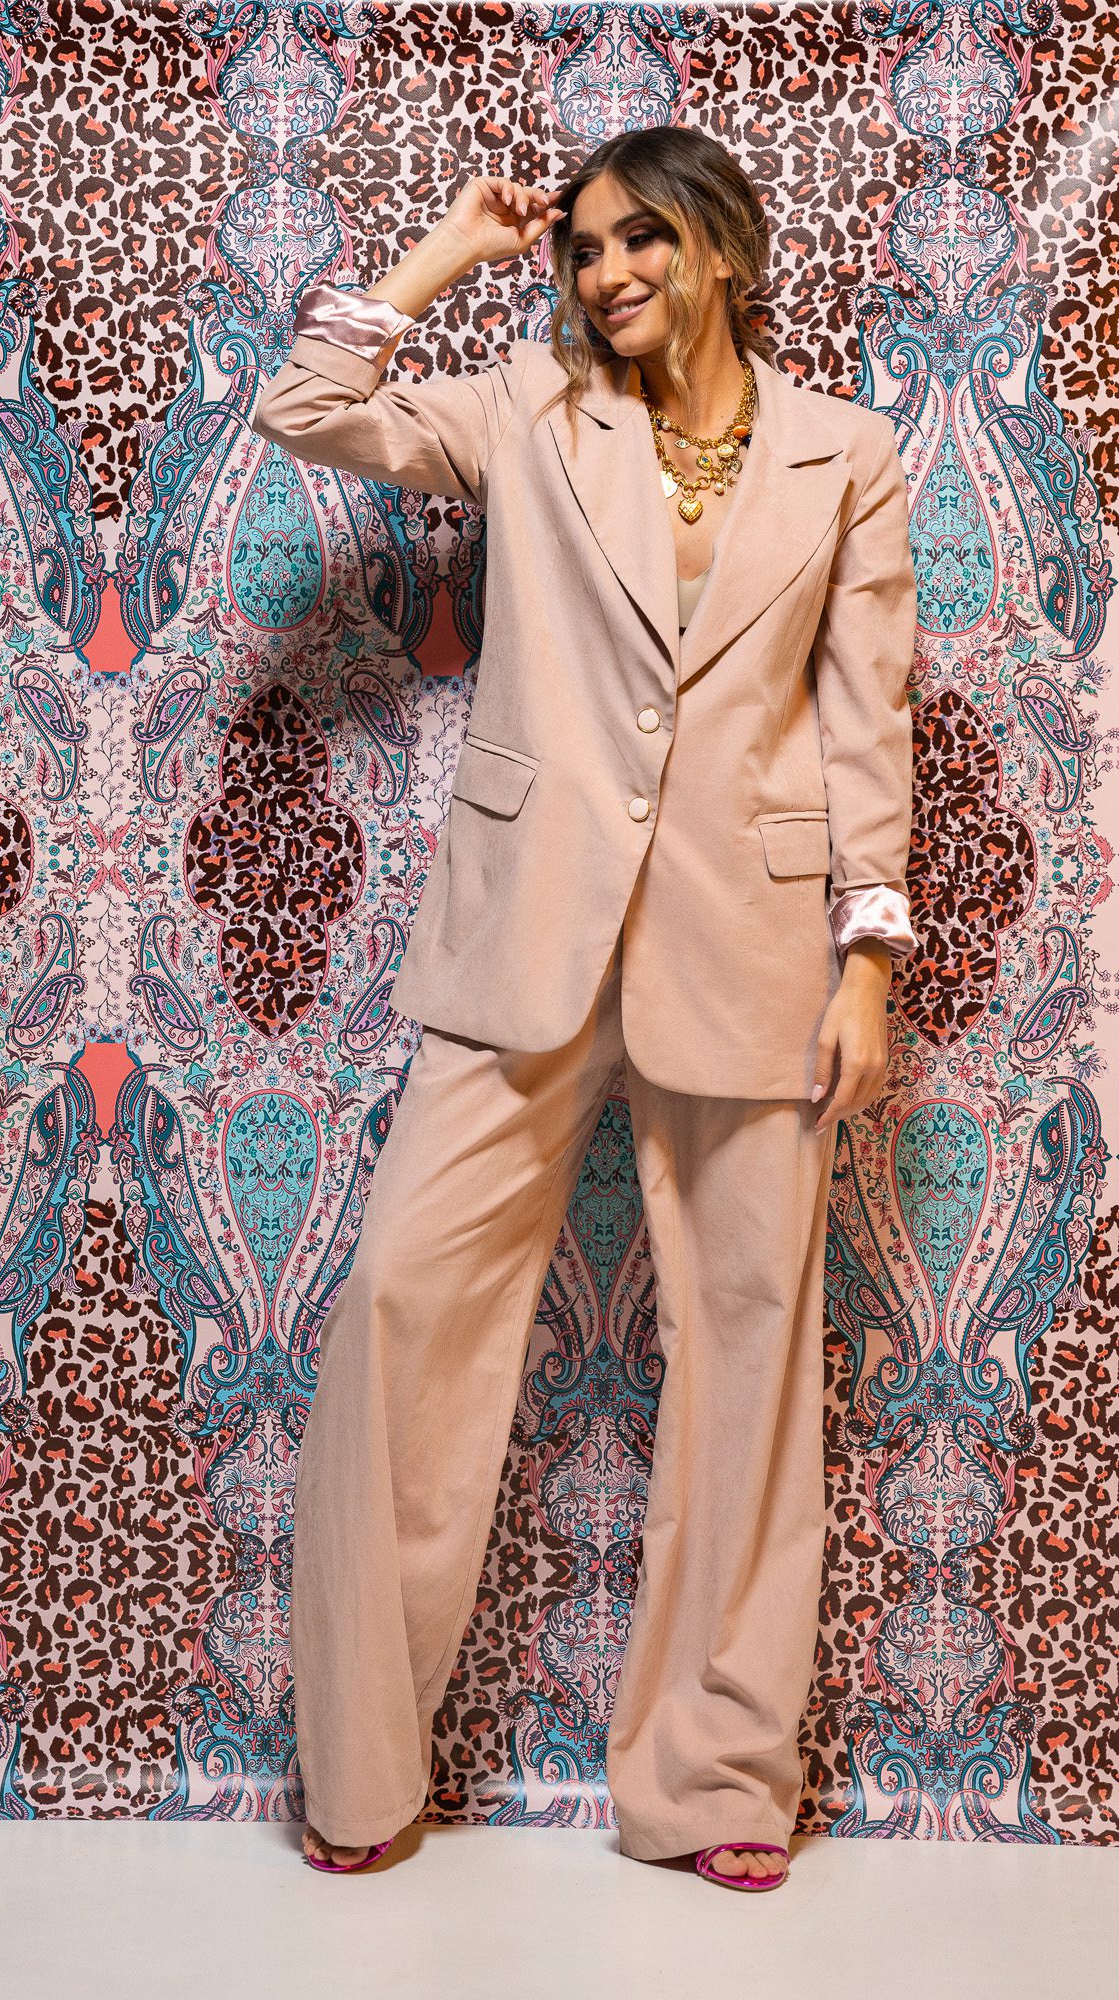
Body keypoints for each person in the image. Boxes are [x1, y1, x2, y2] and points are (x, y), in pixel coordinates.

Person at [249, 124, 919, 1892]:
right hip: (524, 930)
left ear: (723, 252)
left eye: (644, 240)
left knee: (750, 1352)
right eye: (586, 248)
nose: (607, 271)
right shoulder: (527, 411)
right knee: (404, 1305)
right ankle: (361, 1772)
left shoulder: (846, 454)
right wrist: (445, 254)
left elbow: (865, 717)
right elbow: (306, 410)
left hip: (751, 944)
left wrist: (865, 964)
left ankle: (715, 1777)